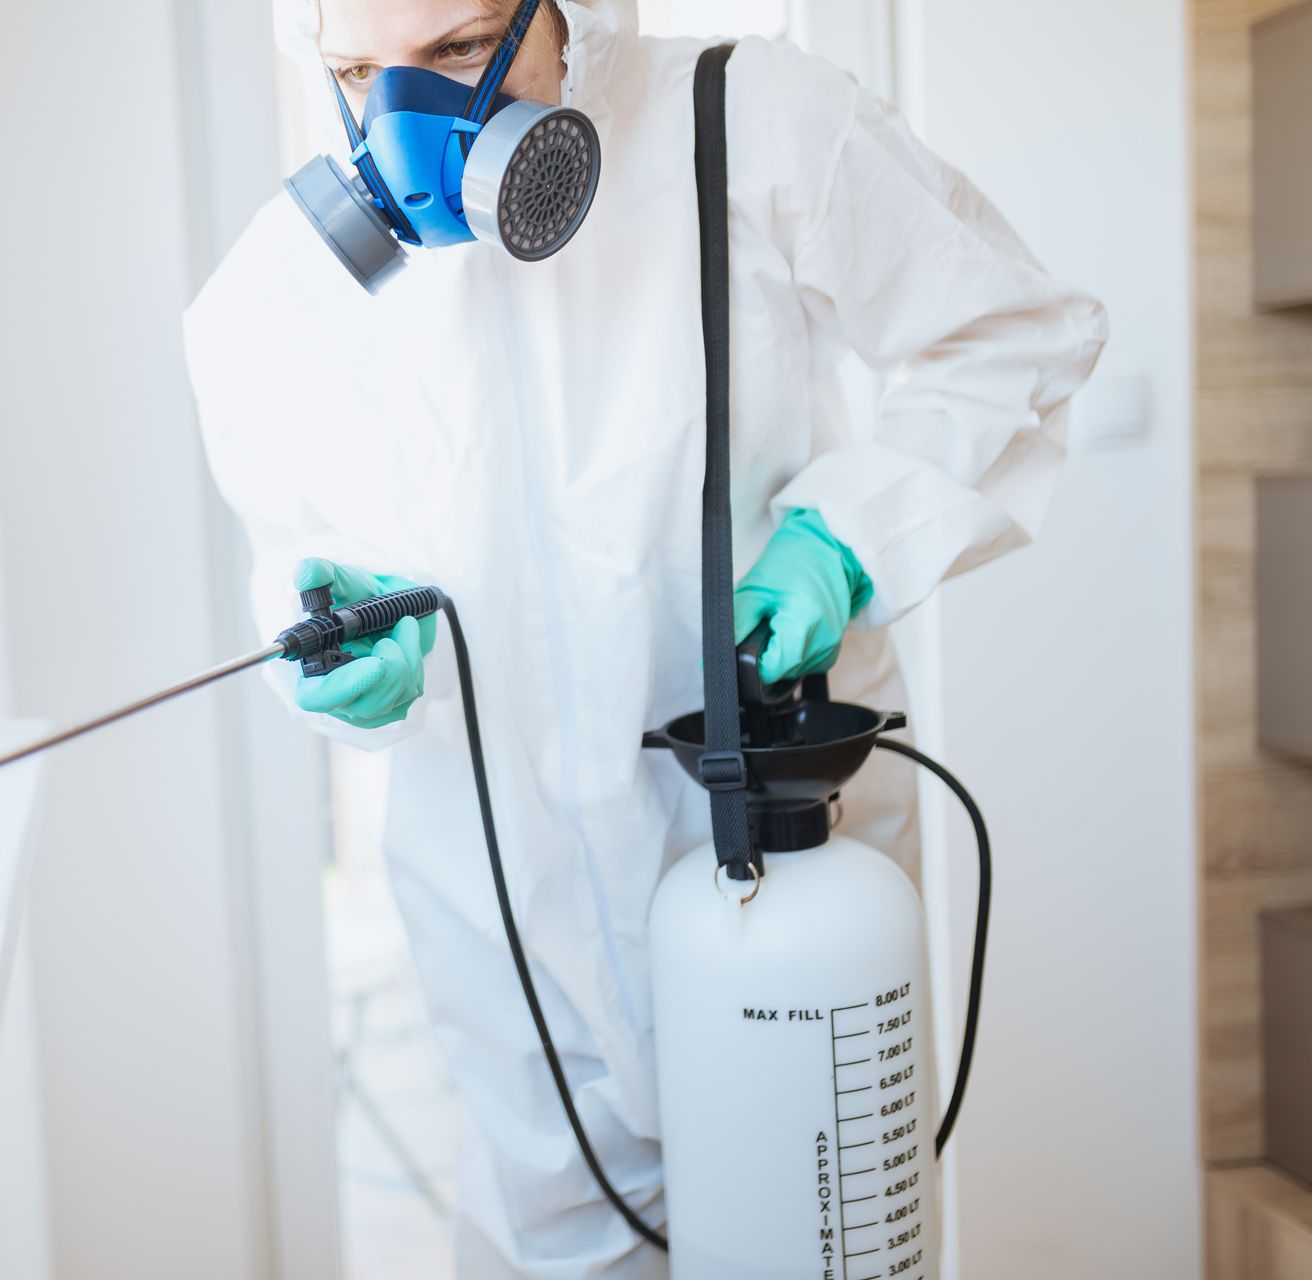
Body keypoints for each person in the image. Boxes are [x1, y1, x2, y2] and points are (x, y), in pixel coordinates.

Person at [183, 2, 1107, 1275]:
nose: (413, 128)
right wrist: (329, 637)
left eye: (459, 52)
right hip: (511, 923)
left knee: (823, 1236)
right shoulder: (278, 294)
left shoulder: (751, 119)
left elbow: (1013, 336)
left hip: (783, 864)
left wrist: (847, 536)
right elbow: (286, 561)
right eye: (357, 73)